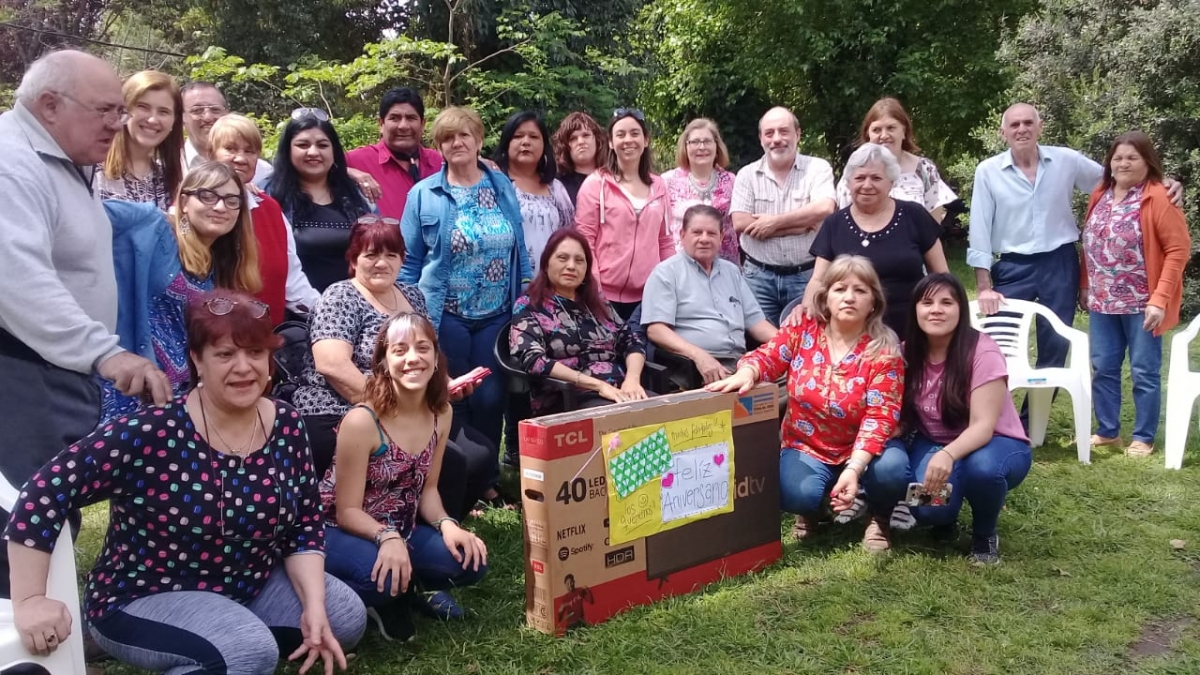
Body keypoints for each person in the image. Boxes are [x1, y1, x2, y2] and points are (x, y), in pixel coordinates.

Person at [3, 290, 365, 673]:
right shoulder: (152, 431)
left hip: (247, 584)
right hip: (143, 595)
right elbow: (45, 490)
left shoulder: (287, 422)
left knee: (343, 618)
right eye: (225, 354)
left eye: (255, 353)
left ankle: (224, 636)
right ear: (197, 359)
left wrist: (312, 606)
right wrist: (29, 600)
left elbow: (305, 524)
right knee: (249, 652)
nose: (244, 367)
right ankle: (219, 642)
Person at [0, 50, 171, 598]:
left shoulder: (63, 158)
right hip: (22, 370)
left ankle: (56, 622)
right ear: (50, 105)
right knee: (27, 509)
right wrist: (106, 353)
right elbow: (17, 279)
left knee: (56, 504)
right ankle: (26, 632)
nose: (118, 123)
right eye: (105, 110)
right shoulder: (10, 161)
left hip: (55, 370)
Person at [707, 255, 907, 552]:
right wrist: (748, 371)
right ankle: (815, 511)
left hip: (865, 448)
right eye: (840, 289)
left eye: (860, 290)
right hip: (808, 444)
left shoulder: (885, 350)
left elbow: (880, 417)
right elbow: (769, 356)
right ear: (826, 297)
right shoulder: (804, 329)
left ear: (874, 302)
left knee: (893, 469)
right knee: (795, 495)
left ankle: (879, 518)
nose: (849, 298)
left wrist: (854, 469)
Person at [967, 103, 1182, 379]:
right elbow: (980, 229)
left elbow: (1115, 177)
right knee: (997, 344)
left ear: (1039, 127)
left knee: (1056, 344)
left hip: (1059, 263)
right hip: (1013, 267)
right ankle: (999, 415)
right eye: (1014, 125)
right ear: (1003, 132)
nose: (1022, 129)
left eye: (1028, 123)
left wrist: (1162, 182)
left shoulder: (1066, 160)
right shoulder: (988, 171)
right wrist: (984, 287)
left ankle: (1033, 418)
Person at [322, 312, 488, 642]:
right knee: (379, 579)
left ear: (436, 357)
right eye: (400, 350)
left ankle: (406, 585)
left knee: (470, 562)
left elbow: (427, 489)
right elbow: (346, 511)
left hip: (401, 528)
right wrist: (387, 537)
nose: (413, 358)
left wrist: (448, 524)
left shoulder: (442, 412)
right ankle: (383, 598)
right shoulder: (362, 421)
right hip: (335, 529)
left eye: (422, 348)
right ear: (383, 362)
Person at [400, 106, 530, 451]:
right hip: (445, 315)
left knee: (490, 397)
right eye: (447, 137)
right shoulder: (423, 195)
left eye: (463, 135)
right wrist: (410, 317)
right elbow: (409, 263)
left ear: (479, 141)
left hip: (497, 313)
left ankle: (487, 477)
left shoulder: (501, 185)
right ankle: (454, 474)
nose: (456, 143)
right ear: (439, 147)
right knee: (451, 395)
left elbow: (519, 245)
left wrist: (526, 296)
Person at [887, 273, 1033, 564]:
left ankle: (984, 535)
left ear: (960, 310)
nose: (936, 309)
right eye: (927, 302)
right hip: (936, 442)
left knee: (983, 470)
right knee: (927, 509)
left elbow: (983, 426)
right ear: (915, 309)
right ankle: (945, 517)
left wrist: (947, 455)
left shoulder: (983, 350)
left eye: (946, 302)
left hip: (995, 442)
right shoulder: (906, 352)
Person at [102, 160, 262, 422]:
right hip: (130, 388)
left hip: (184, 399)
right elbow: (82, 216)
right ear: (185, 201)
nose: (221, 207)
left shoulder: (222, 263)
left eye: (232, 200)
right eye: (208, 196)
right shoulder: (152, 224)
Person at [1079, 131, 1190, 457]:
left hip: (1143, 303)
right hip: (1102, 301)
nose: (1123, 163)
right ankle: (1108, 431)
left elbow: (1177, 251)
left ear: (1147, 161)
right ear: (1109, 163)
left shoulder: (1158, 196)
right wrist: (1086, 283)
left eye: (1132, 157)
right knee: (1103, 366)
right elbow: (1090, 242)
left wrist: (1160, 300)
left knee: (1144, 370)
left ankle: (1143, 437)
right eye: (1118, 157)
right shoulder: (1100, 193)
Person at [788, 143, 949, 334]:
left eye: (876, 178)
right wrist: (807, 308)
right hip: (853, 332)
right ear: (848, 183)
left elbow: (941, 276)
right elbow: (818, 280)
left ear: (891, 182)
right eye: (860, 178)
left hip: (912, 329)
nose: (867, 185)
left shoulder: (914, 215)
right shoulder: (834, 223)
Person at [511, 229, 649, 415]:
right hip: (568, 397)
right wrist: (598, 386)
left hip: (620, 391)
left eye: (579, 260)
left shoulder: (597, 304)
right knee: (631, 420)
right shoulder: (529, 306)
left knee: (667, 415)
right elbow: (534, 360)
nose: (571, 266)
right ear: (546, 263)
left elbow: (632, 342)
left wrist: (632, 379)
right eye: (562, 258)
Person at [642, 205, 778, 386]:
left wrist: (793, 344)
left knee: (797, 382)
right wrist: (699, 356)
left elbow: (758, 325)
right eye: (697, 232)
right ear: (682, 235)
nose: (704, 239)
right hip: (696, 367)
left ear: (721, 237)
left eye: (711, 233)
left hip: (741, 362)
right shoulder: (666, 273)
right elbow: (656, 330)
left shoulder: (732, 272)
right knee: (766, 396)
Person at [209, 113, 321, 323]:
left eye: (250, 151)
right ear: (211, 153)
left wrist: (331, 318)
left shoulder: (270, 210)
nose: (241, 158)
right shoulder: (192, 208)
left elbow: (293, 284)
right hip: (209, 343)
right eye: (231, 149)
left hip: (263, 343)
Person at [731, 107, 837, 326]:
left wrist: (773, 223)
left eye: (784, 131)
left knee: (807, 340)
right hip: (757, 279)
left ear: (798, 134)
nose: (777, 139)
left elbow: (825, 208)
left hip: (807, 276)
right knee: (761, 346)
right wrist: (800, 225)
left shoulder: (817, 169)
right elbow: (740, 221)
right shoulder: (747, 175)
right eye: (769, 133)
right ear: (761, 138)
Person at [575, 108, 674, 321]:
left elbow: (665, 241)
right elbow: (585, 242)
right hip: (603, 296)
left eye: (634, 133)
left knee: (643, 353)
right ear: (610, 142)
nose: (628, 140)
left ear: (646, 140)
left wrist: (671, 286)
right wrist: (595, 290)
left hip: (649, 296)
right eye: (620, 135)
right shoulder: (595, 185)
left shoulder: (659, 186)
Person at [269, 108, 374, 292]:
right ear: (288, 150)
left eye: (323, 145)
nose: (313, 152)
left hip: (356, 308)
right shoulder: (271, 195)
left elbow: (379, 248)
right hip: (296, 312)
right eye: (302, 145)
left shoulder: (357, 195)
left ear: (334, 151)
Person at [836, 97, 957, 221]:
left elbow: (934, 221)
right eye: (877, 130)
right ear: (868, 134)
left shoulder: (924, 169)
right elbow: (844, 219)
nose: (884, 135)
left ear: (904, 131)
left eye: (891, 128)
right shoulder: (855, 170)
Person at [494, 109, 575, 275]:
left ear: (544, 145)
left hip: (551, 284)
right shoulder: (494, 185)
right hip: (505, 283)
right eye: (518, 136)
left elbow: (571, 236)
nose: (526, 142)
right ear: (506, 143)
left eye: (533, 136)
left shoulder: (556, 188)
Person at [346, 87, 444, 220]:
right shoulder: (358, 160)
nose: (403, 126)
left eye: (411, 118)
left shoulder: (437, 161)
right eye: (394, 118)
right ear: (381, 124)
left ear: (423, 124)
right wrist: (350, 171)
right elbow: (316, 169)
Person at [96, 69, 184, 210]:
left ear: (174, 121)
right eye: (143, 107)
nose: (152, 119)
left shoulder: (171, 182)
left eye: (163, 112)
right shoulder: (92, 169)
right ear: (123, 110)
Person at [661, 118, 740, 264]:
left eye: (707, 141)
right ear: (685, 146)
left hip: (724, 265)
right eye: (695, 142)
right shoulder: (667, 181)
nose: (701, 147)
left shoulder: (731, 181)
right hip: (681, 266)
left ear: (717, 146)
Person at [180, 81, 274, 184]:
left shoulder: (263, 172)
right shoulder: (167, 170)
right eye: (197, 110)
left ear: (226, 113)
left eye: (215, 109)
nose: (208, 117)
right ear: (181, 117)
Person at [551, 111, 608, 205]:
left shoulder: (613, 179)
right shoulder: (557, 185)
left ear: (597, 139)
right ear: (564, 146)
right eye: (573, 138)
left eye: (586, 135)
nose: (581, 142)